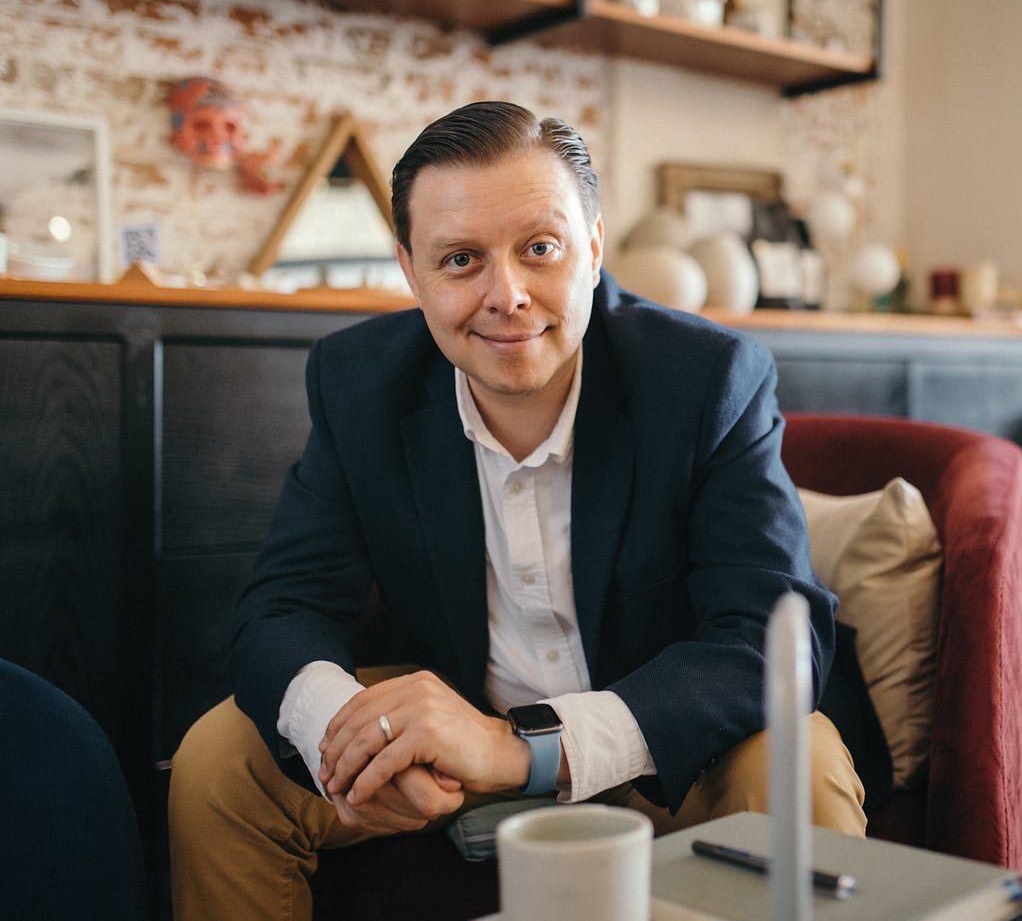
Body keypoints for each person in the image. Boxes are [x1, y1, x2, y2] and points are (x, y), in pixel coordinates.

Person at [168, 101, 870, 920]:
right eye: (461, 259)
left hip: (667, 745)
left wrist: (519, 748)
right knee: (219, 762)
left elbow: (770, 638)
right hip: (453, 739)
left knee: (798, 759)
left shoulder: (707, 379)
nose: (507, 295)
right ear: (411, 272)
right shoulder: (357, 383)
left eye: (540, 248)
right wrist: (351, 737)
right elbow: (282, 608)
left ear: (594, 248)